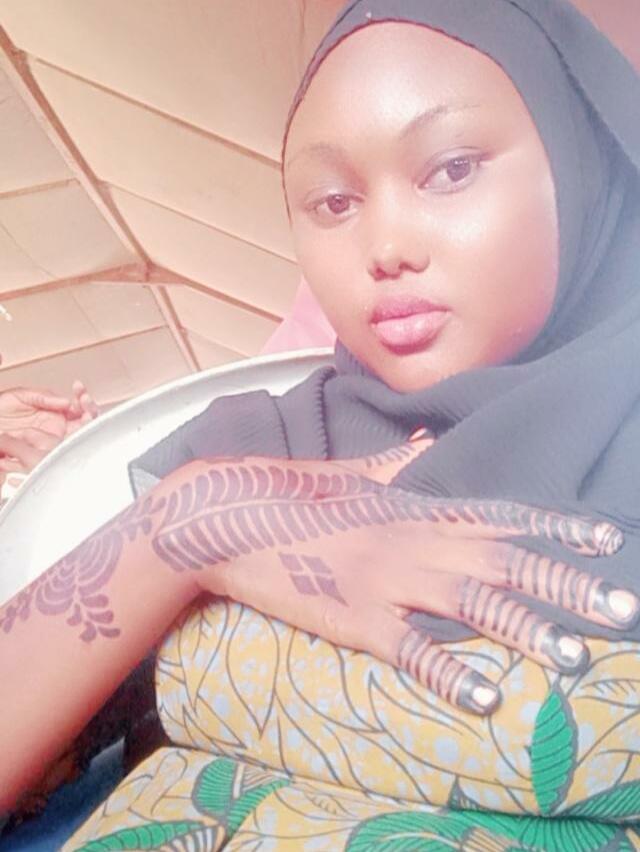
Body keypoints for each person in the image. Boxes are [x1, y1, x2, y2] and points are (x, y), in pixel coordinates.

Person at [2, 0, 640, 847]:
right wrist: (183, 523)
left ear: (585, 160)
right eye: (333, 202)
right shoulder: (257, 445)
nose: (386, 247)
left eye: (451, 169)